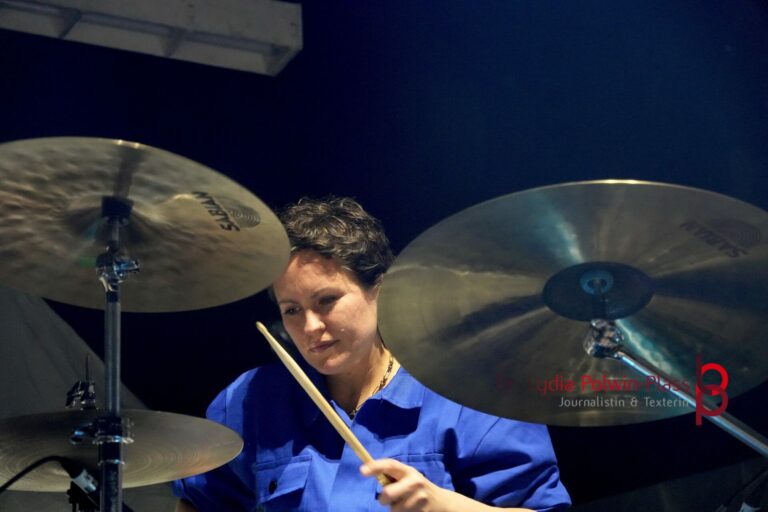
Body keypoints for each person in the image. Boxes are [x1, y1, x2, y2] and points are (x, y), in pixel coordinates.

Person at [173, 196, 571, 511]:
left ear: (379, 292)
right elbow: (198, 501)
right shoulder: (250, 401)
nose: (310, 327)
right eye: (291, 310)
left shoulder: (472, 394)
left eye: (326, 300)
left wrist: (446, 506)